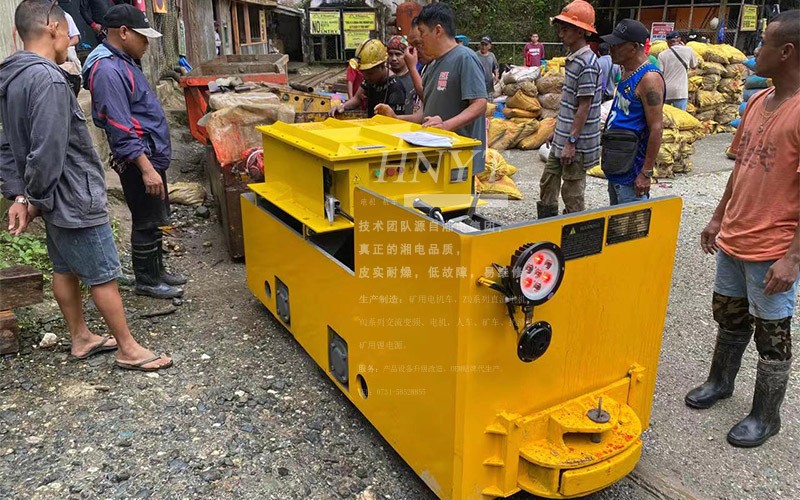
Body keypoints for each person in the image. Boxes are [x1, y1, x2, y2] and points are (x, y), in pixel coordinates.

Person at [0, 0, 172, 372]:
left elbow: (7, 143)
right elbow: (48, 150)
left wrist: (21, 194)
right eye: (68, 30)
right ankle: (129, 348)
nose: (72, 38)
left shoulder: (12, 76)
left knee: (64, 267)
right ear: (52, 28)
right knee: (103, 273)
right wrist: (34, 198)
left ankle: (80, 337)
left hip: (50, 197)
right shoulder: (47, 79)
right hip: (73, 194)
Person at [686, 10, 800, 449]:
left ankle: (766, 416)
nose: (756, 50)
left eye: (763, 42)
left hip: (772, 247)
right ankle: (720, 382)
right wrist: (718, 217)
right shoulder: (757, 101)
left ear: (786, 52)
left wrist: (791, 258)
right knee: (729, 316)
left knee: (771, 335)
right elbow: (740, 169)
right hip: (734, 236)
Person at [82, 4, 186, 300]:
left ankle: (157, 271)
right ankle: (147, 280)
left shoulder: (123, 61)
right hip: (138, 159)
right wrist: (146, 168)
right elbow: (120, 126)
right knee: (145, 219)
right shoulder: (107, 70)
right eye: (143, 37)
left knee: (155, 216)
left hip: (149, 153)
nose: (147, 44)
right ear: (124, 33)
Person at [376, 4, 488, 176]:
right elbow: (427, 112)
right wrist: (396, 119)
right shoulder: (432, 65)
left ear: (437, 31)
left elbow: (480, 104)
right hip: (435, 159)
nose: (420, 40)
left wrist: (445, 126)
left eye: (422, 33)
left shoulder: (464, 58)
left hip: (459, 159)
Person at [536, 0, 602, 218]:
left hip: (577, 144)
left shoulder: (588, 64)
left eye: (565, 29)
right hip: (563, 138)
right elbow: (569, 104)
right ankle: (546, 224)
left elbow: (584, 106)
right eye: (561, 29)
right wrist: (558, 131)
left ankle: (573, 230)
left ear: (581, 31)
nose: (561, 34)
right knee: (548, 181)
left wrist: (571, 142)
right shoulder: (574, 60)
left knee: (572, 191)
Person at [601, 19, 664, 205]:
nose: (611, 49)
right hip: (618, 161)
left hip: (633, 169)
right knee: (615, 219)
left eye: (617, 45)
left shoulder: (649, 78)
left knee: (630, 221)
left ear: (634, 47)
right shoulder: (626, 71)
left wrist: (646, 172)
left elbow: (656, 128)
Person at [332, 39, 406, 118]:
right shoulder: (370, 79)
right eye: (363, 73)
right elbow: (357, 98)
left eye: (370, 73)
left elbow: (396, 120)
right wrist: (342, 106)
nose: (366, 77)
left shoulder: (395, 87)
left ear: (381, 66)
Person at [658, 31, 698, 111]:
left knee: (665, 115)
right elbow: (694, 66)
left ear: (667, 42)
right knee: (680, 116)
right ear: (679, 39)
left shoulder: (662, 55)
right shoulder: (688, 50)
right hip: (681, 92)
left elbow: (660, 74)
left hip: (666, 91)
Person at [386, 35, 415, 115]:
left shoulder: (414, 77)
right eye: (390, 54)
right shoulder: (384, 77)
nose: (394, 58)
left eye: (398, 54)